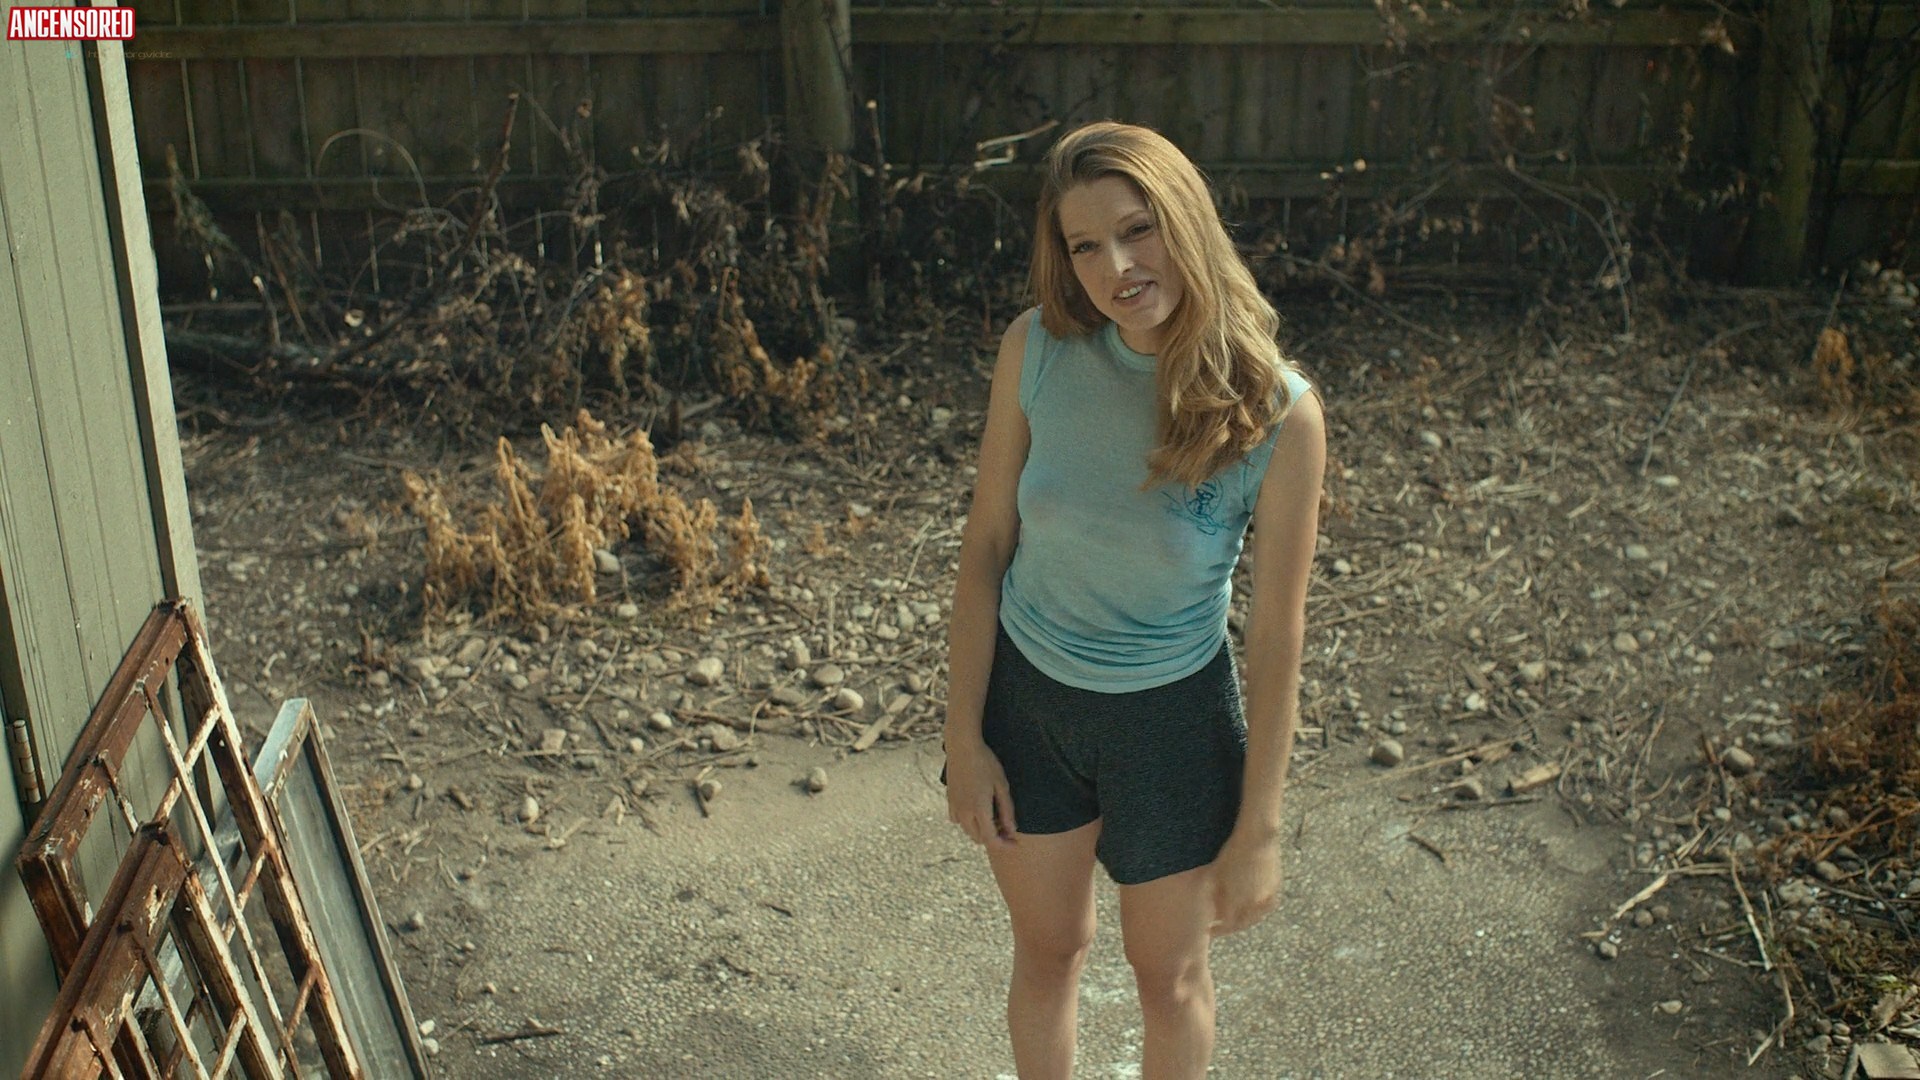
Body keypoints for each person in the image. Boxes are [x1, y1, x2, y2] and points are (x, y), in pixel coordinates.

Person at [941, 120, 1326, 1080]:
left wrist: (1260, 824)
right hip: (1030, 707)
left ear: (1184, 220)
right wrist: (963, 738)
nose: (1114, 267)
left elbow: (1276, 635)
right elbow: (986, 547)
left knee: (1171, 980)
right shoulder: (1035, 348)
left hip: (1174, 727)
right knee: (1049, 953)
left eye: (1136, 229)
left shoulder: (1278, 413)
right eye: (1084, 246)